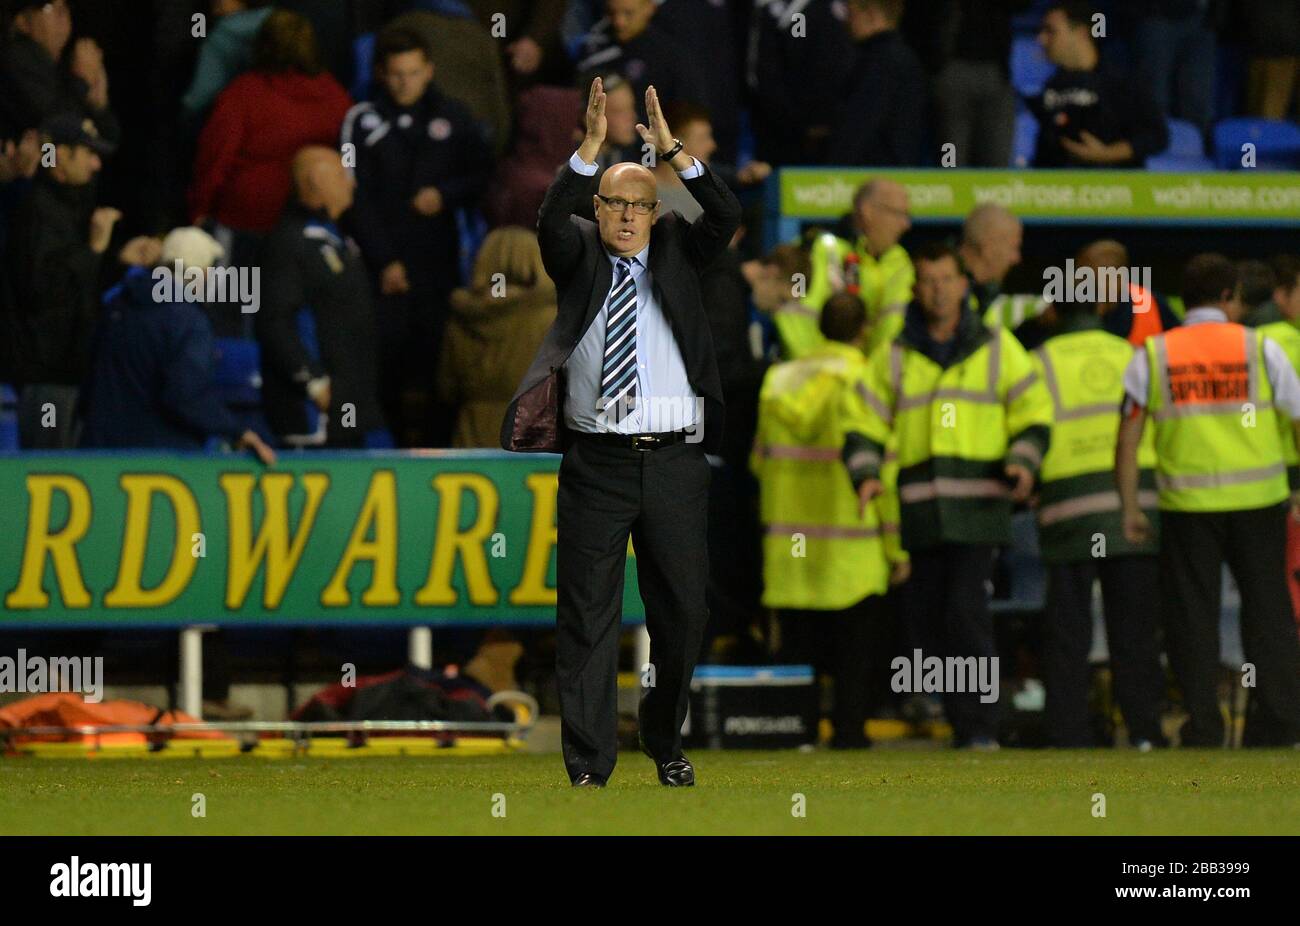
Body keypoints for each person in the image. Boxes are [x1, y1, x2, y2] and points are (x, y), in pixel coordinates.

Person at [500, 78, 742, 787]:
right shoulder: (574, 256)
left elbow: (722, 215)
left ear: (656, 208)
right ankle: (587, 765)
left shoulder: (678, 251)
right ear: (597, 209)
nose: (630, 216)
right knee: (585, 617)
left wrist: (671, 149)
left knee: (684, 614)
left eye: (642, 203)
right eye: (616, 203)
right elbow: (549, 220)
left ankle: (664, 741)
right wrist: (589, 148)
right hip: (597, 466)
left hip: (674, 464)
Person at [852, 242, 1053, 748]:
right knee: (931, 619)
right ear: (915, 288)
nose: (938, 290)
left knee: (966, 615)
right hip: (921, 510)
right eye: (928, 280)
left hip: (979, 508)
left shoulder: (996, 345)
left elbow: (1033, 411)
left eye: (947, 279)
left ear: (965, 284)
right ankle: (959, 721)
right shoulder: (894, 353)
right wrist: (867, 473)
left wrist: (1023, 462)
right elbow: (863, 420)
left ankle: (978, 728)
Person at [1117, 253, 1300, 747]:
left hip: (1187, 508)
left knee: (1192, 619)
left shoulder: (1153, 354)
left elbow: (1129, 438)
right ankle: (1278, 724)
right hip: (1260, 503)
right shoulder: (1260, 348)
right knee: (1268, 614)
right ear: (1228, 297)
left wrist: (1131, 508)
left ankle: (1204, 726)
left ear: (1183, 298)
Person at [753, 292, 910, 749]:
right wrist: (896, 550)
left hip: (789, 548)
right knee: (854, 658)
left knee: (796, 656)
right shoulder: (868, 380)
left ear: (820, 327)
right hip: (853, 551)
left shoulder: (779, 380)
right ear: (864, 331)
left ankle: (793, 733)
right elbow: (886, 473)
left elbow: (760, 462)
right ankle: (849, 733)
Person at [342, 25, 491, 447]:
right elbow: (353, 198)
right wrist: (384, 259)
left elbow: (482, 174)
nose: (405, 82)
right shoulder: (361, 121)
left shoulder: (454, 117)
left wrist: (445, 194)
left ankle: (436, 451)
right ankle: (389, 453)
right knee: (386, 366)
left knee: (438, 366)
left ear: (428, 70)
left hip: (437, 266)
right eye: (396, 73)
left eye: (412, 71)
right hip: (381, 267)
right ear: (381, 74)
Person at [1030, 292, 1167, 749]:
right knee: (1135, 632)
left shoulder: (1037, 361)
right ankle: (1145, 731)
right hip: (1134, 506)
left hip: (1068, 510)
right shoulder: (1134, 355)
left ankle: (1067, 733)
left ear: (1053, 312)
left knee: (1068, 632)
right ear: (1103, 311)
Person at [2, 114, 156, 448]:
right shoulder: (36, 210)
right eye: (88, 153)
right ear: (59, 156)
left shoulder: (66, 207)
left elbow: (80, 285)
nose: (96, 164)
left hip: (69, 372)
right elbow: (40, 291)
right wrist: (93, 250)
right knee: (47, 465)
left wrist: (115, 260)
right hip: (45, 375)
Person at [80, 226, 275, 463]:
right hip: (157, 464)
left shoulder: (117, 305)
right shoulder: (187, 320)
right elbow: (185, 395)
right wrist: (237, 431)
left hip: (97, 458)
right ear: (200, 273)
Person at [256, 146, 384, 448]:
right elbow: (274, 321)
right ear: (316, 180)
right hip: (315, 417)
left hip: (347, 408)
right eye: (341, 175)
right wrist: (313, 382)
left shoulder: (332, 237)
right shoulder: (290, 242)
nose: (351, 183)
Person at [189, 11, 351, 238]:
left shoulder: (242, 94)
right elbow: (349, 156)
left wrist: (199, 210)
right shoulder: (336, 96)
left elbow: (215, 159)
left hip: (244, 224)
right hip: (313, 228)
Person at [438, 227, 557, 448]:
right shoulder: (550, 319)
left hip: (472, 438)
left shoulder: (463, 317)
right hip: (533, 440)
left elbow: (447, 387)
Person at [1031, 1, 1168, 168]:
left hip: (1117, 187)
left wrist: (1107, 154)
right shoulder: (1052, 86)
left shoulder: (1122, 81)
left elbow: (1156, 136)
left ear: (1081, 33)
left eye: (1050, 31)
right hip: (1062, 188)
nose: (1041, 39)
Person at [795, 179, 914, 359]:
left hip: (875, 380)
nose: (906, 224)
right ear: (867, 212)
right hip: (822, 375)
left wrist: (872, 376)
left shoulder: (900, 261)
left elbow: (895, 328)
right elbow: (797, 318)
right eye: (898, 214)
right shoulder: (818, 251)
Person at [908, 0, 1027, 168]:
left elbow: (1023, 6)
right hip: (948, 72)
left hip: (996, 71)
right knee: (950, 162)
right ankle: (949, 189)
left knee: (996, 165)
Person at [0, 0, 119, 145]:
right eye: (49, 6)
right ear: (22, 21)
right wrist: (82, 80)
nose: (62, 13)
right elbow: (53, 130)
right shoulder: (15, 58)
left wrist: (99, 107)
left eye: (65, 5)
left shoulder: (63, 66)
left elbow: (105, 143)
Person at [826, 0, 928, 167]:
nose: (846, 22)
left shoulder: (879, 62)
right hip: (900, 172)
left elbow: (858, 127)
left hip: (871, 176)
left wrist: (833, 169)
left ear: (871, 14)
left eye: (851, 14)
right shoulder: (906, 57)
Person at [178, 0, 274, 130]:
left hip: (229, 129)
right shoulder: (286, 22)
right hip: (283, 127)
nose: (214, 10)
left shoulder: (225, 35)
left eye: (217, 3)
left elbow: (201, 96)